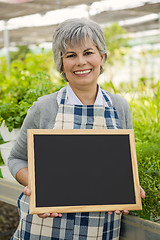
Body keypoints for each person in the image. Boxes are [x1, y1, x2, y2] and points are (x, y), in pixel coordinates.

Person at [8, 18, 145, 240]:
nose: (81, 62)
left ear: (101, 57)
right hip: (45, 228)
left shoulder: (119, 107)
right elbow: (16, 159)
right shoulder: (44, 107)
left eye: (88, 52)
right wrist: (40, 189)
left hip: (101, 228)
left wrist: (131, 188)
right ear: (61, 64)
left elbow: (123, 163)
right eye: (71, 55)